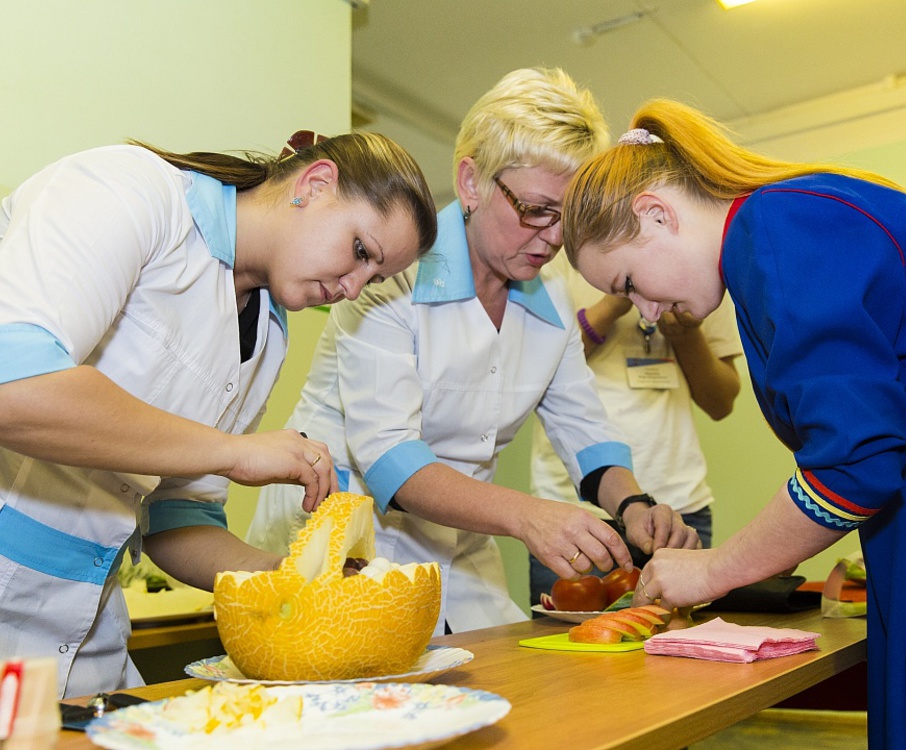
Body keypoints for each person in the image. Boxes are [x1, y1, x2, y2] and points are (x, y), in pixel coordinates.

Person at [561, 99, 906, 749]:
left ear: (654, 214)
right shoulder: (783, 224)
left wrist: (714, 570)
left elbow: (852, 464)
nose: (645, 312)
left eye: (628, 284)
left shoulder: (771, 227)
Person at [246, 69, 701, 635]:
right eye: (537, 209)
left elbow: (584, 431)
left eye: (568, 217)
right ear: (471, 183)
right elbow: (389, 459)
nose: (554, 237)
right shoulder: (388, 273)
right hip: (339, 535)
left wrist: (635, 506)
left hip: (460, 548)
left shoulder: (553, 296)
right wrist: (528, 515)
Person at [0, 130, 437, 697]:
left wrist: (297, 582)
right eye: (360, 251)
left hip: (83, 635)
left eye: (372, 278)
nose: (353, 288)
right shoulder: (134, 191)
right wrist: (235, 452)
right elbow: (15, 385)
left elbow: (175, 518)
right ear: (315, 183)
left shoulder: (267, 336)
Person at [527, 250, 741, 605]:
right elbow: (535, 375)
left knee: (682, 655)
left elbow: (721, 403)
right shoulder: (555, 256)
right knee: (572, 655)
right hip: (572, 509)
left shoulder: (695, 260)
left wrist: (686, 335)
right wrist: (619, 298)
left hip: (679, 505)